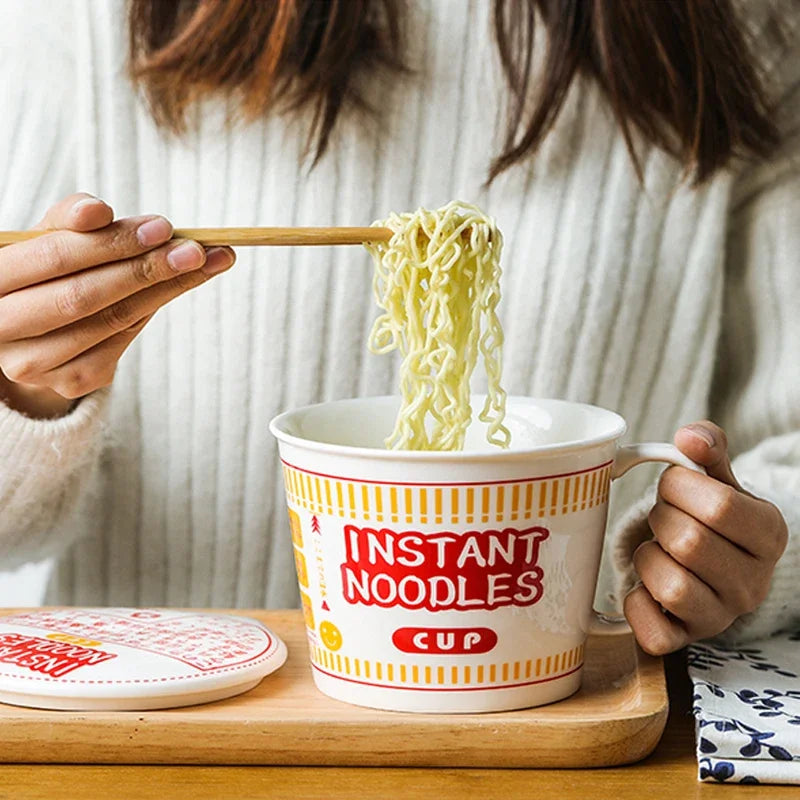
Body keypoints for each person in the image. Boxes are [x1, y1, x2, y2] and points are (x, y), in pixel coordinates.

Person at [0, 0, 797, 655]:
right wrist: (30, 398)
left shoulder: (749, 28)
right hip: (156, 718)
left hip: (552, 725)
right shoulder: (84, 19)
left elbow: (786, 453)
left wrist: (713, 552)